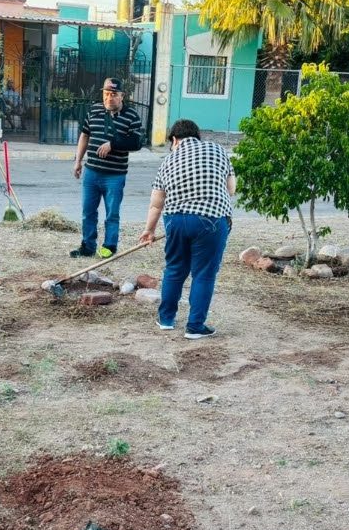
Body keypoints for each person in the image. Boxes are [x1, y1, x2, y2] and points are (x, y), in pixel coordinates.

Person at [139, 119, 235, 339]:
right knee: (203, 274)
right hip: (211, 219)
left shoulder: (168, 160)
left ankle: (166, 320)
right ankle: (194, 326)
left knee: (174, 269)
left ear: (174, 140)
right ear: (197, 136)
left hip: (176, 221)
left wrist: (149, 230)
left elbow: (156, 203)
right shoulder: (218, 150)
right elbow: (231, 189)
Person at [71, 77, 145, 258]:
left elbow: (137, 143)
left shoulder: (132, 116)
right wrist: (78, 160)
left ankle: (109, 247)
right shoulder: (94, 110)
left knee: (112, 214)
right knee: (88, 211)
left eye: (113, 94)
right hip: (92, 171)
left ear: (122, 96)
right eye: (106, 94)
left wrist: (113, 144)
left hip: (115, 175)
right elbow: (84, 135)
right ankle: (87, 246)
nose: (109, 98)